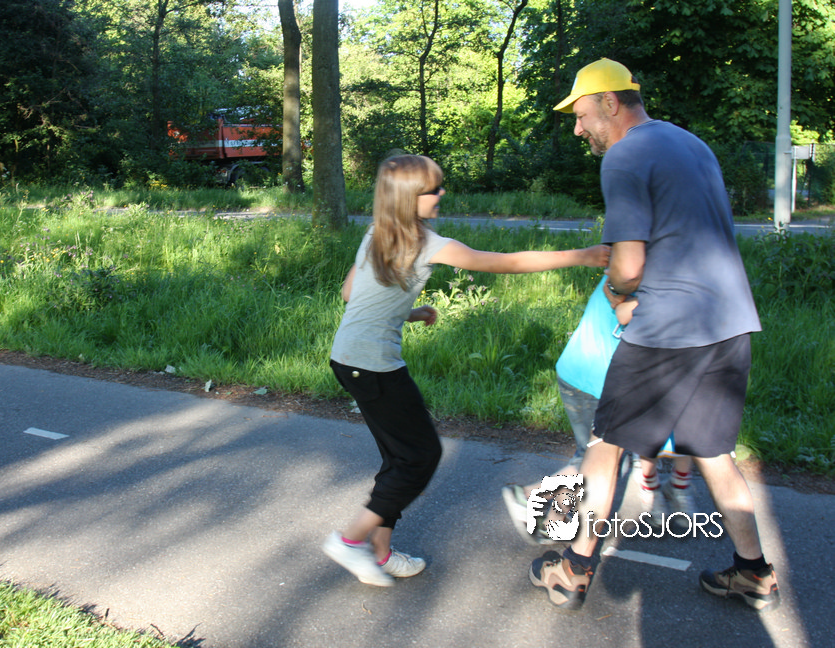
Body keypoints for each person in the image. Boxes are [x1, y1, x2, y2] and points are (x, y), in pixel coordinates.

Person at [528, 59, 779, 612]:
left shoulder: (624, 156)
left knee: (604, 445)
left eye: (582, 115)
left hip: (667, 330)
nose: (578, 129)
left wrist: (618, 298)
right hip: (728, 323)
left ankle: (572, 569)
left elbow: (628, 265)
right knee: (714, 452)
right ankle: (754, 572)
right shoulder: (691, 144)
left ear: (611, 103)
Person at [324, 154, 609, 586]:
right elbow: (507, 262)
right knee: (420, 457)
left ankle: (380, 554)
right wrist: (582, 255)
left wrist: (409, 311)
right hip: (374, 366)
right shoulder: (427, 243)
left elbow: (351, 293)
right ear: (409, 198)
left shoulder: (378, 233)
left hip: (349, 360)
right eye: (433, 189)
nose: (442, 193)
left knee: (400, 457)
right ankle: (350, 540)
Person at [502, 277, 696, 543]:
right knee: (598, 461)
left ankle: (553, 521)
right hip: (597, 380)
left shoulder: (624, 270)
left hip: (579, 371)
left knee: (592, 456)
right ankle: (529, 497)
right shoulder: (653, 282)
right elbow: (631, 316)